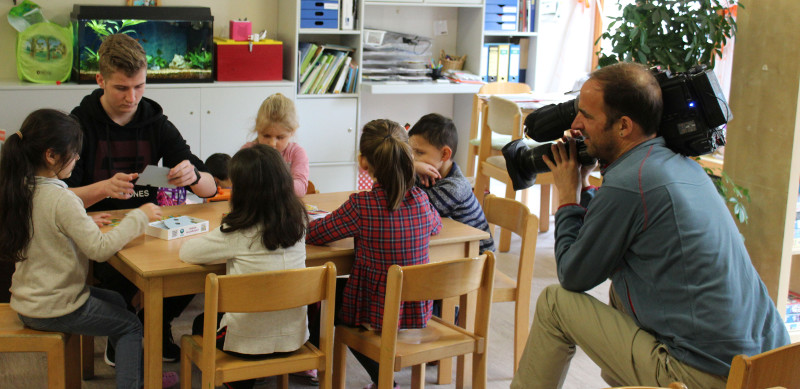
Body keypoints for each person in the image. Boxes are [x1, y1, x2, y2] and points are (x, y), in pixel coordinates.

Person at [511, 62, 790, 389]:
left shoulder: (631, 183)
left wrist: (567, 195)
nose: (574, 123)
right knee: (624, 288)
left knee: (555, 304)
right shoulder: (680, 165)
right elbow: (605, 235)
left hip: (702, 377)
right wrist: (584, 187)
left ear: (624, 127)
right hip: (769, 369)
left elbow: (573, 276)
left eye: (586, 114)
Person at [63, 33, 217, 364]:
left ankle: (151, 325)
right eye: (121, 88)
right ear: (100, 80)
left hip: (150, 224)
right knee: (119, 272)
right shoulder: (78, 125)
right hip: (101, 226)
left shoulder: (155, 122)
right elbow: (58, 198)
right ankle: (127, 330)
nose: (132, 97)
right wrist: (103, 188)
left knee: (197, 260)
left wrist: (192, 176)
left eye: (140, 86)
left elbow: (210, 188)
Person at [0, 109, 178, 389]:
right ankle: (134, 385)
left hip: (28, 300)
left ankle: (138, 374)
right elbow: (99, 249)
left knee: (119, 303)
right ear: (51, 156)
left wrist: (82, 220)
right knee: (131, 326)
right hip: (55, 306)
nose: (78, 158)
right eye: (74, 153)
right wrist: (139, 216)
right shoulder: (62, 198)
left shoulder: (22, 188)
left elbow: (51, 226)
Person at [306, 119, 442, 389]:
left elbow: (316, 234)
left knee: (320, 298)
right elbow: (436, 226)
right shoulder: (421, 200)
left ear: (363, 162)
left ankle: (374, 379)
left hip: (375, 311)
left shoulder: (362, 205)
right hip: (415, 309)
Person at [180, 145, 309, 389]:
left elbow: (187, 253)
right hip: (294, 338)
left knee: (200, 324)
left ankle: (238, 379)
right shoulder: (299, 222)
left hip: (247, 342)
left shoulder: (237, 231)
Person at [408, 113, 494, 253]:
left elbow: (413, 209)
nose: (414, 159)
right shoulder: (426, 175)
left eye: (419, 152)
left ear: (444, 154)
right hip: (452, 250)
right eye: (411, 153)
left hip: (474, 259)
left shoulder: (455, 187)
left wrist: (410, 167)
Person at [241, 93, 309, 196]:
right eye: (266, 136)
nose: (272, 144)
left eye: (280, 137)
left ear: (292, 131)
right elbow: (239, 185)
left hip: (284, 209)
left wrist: (271, 185)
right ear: (258, 129)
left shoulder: (296, 153)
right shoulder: (248, 151)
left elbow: (300, 189)